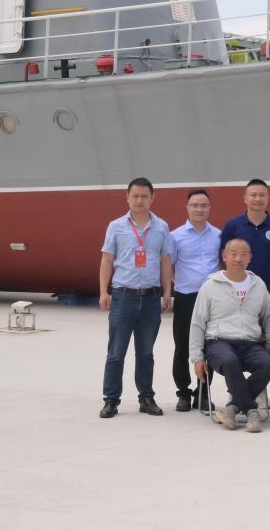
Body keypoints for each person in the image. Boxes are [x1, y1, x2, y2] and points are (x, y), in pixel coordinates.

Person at [98, 177, 174, 419]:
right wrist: (103, 291)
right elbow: (107, 260)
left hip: (151, 297)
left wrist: (167, 292)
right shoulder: (116, 226)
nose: (140, 200)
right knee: (116, 351)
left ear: (152, 198)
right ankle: (111, 399)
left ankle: (146, 397)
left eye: (144, 196)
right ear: (127, 198)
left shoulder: (161, 227)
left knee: (146, 352)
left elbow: (165, 260)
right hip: (124, 296)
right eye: (135, 196)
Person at [189, 238, 270, 433]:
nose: (238, 258)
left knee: (268, 365)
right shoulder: (210, 286)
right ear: (224, 256)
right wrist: (197, 357)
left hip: (250, 343)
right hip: (218, 342)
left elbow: (269, 316)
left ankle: (232, 408)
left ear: (250, 258)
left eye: (243, 254)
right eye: (233, 254)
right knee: (230, 360)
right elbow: (197, 323)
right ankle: (251, 411)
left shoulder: (258, 284)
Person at [170, 188, 222, 412]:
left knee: (208, 346)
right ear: (187, 207)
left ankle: (202, 392)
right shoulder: (175, 236)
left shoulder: (218, 235)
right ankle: (183, 392)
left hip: (211, 299)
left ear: (209, 208)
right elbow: (169, 266)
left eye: (204, 205)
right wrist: (182, 283)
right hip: (186, 297)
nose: (199, 209)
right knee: (182, 345)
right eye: (195, 205)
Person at [220, 179, 270, 294]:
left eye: (262, 195)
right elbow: (223, 255)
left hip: (269, 287)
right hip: (238, 288)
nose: (258, 199)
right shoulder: (232, 225)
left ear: (268, 198)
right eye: (253, 195)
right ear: (245, 198)